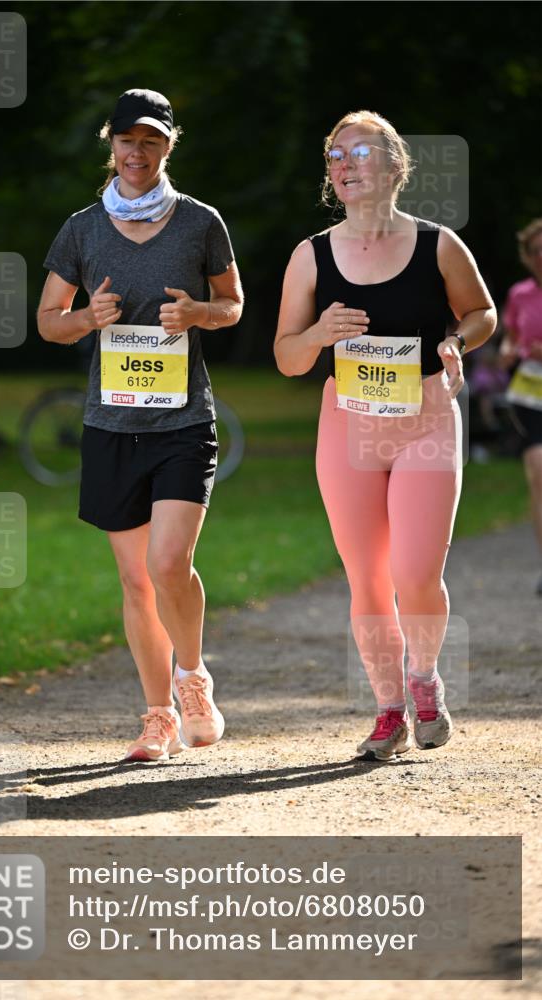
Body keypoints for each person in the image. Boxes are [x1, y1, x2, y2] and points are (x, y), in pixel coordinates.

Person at [274, 110, 496, 761]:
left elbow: (479, 313)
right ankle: (387, 710)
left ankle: (423, 678)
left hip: (424, 416)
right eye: (334, 156)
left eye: (359, 153)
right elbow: (286, 355)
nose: (343, 165)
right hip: (347, 424)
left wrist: (456, 340)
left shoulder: (438, 245)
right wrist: (317, 335)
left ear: (394, 166)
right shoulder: (310, 255)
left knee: (415, 572)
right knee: (367, 580)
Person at [37, 89, 243, 761]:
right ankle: (157, 715)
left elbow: (233, 304)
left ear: (168, 147)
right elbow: (48, 323)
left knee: (168, 563)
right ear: (111, 145)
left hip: (183, 420)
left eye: (150, 140)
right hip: (111, 426)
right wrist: (85, 320)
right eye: (126, 140)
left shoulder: (199, 222)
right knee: (134, 581)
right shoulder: (81, 229)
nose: (136, 152)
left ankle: (192, 676)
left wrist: (198, 315)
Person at [499, 219, 542, 594]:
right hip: (531, 392)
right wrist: (509, 351)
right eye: (536, 251)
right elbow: (511, 339)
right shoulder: (519, 295)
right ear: (527, 257)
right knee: (538, 473)